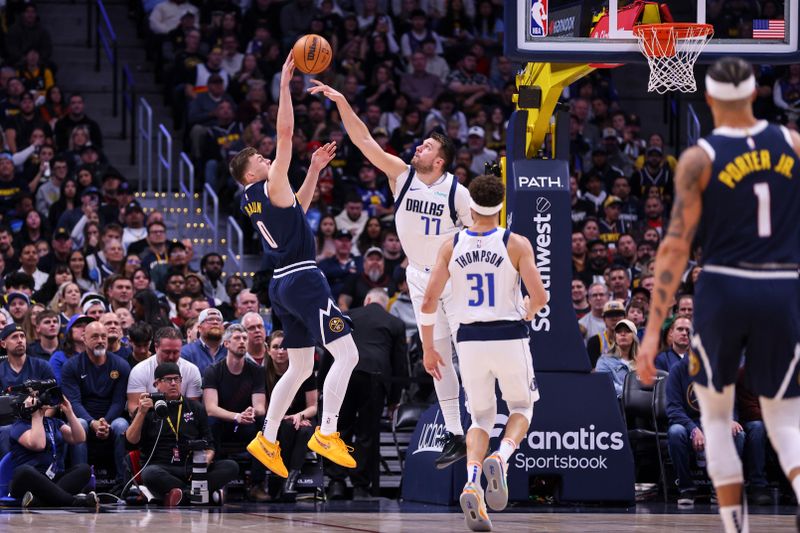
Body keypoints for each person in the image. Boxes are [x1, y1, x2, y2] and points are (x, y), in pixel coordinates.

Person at [638, 57, 800, 532]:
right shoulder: (793, 143)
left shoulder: (698, 158)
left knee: (714, 417)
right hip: (782, 285)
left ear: (707, 100)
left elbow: (673, 248)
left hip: (726, 284)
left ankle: (735, 526)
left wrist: (652, 335)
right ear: (755, 96)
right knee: (785, 418)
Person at [311, 77, 474, 469]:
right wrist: (342, 102)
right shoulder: (402, 176)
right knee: (437, 361)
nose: (420, 146)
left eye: (428, 146)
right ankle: (455, 433)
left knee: (468, 355)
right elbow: (365, 141)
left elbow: (486, 235)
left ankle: (485, 421)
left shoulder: (458, 192)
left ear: (440, 161)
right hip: (418, 279)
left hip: (455, 279)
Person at [228, 54, 359, 478]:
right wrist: (284, 83)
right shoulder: (267, 182)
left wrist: (316, 170)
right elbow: (285, 134)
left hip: (282, 285)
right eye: (262, 160)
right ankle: (328, 432)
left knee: (302, 366)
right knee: (348, 354)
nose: (270, 160)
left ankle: (266, 439)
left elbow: (297, 208)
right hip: (303, 279)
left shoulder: (254, 198)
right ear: (251, 170)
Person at [421, 175, 547, 532]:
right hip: (508, 335)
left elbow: (429, 302)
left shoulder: (451, 244)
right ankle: (501, 457)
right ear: (501, 203)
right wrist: (528, 308)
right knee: (522, 407)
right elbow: (540, 297)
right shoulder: (516, 242)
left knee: (478, 421)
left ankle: (471, 483)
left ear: (471, 204)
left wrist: (429, 348)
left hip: (469, 340)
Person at [324, 288, 407, 500]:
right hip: (375, 377)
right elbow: (399, 364)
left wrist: (322, 382)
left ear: (367, 299)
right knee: (367, 435)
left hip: (344, 374)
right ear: (385, 303)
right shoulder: (395, 323)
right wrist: (394, 399)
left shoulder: (346, 316)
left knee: (340, 429)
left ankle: (336, 483)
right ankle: (361, 486)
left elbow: (329, 348)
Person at [125, 362, 239, 506]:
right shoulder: (147, 408)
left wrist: (205, 461)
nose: (173, 383)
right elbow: (130, 442)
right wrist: (141, 413)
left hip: (191, 468)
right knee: (149, 473)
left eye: (177, 379)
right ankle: (202, 494)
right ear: (156, 384)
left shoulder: (195, 407)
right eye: (168, 380)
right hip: (162, 467)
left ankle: (181, 495)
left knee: (231, 466)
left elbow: (209, 444)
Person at [60, 321, 131, 487]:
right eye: (95, 336)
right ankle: (81, 483)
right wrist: (93, 423)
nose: (100, 340)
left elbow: (119, 401)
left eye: (103, 336)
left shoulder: (121, 365)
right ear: (84, 339)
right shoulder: (72, 366)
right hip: (84, 418)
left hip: (111, 419)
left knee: (122, 425)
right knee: (80, 424)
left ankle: (124, 484)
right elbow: (74, 402)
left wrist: (104, 422)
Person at [202, 324, 268, 502]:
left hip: (245, 424)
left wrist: (250, 412)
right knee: (211, 422)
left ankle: (257, 484)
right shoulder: (213, 371)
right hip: (223, 424)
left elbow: (261, 407)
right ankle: (218, 482)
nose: (242, 342)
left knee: (263, 424)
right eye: (237, 338)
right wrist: (236, 416)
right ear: (226, 344)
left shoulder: (256, 371)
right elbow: (210, 407)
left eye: (244, 338)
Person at [8, 393, 97, 508]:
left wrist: (69, 412)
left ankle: (39, 502)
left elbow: (79, 438)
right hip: (28, 481)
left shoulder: (53, 423)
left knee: (84, 469)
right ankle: (73, 502)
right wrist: (36, 415)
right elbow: (38, 445)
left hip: (53, 479)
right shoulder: (19, 425)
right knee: (24, 471)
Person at [126, 327, 202, 414]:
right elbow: (133, 408)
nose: (171, 357)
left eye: (175, 352)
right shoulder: (139, 371)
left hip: (181, 420)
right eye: (167, 352)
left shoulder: (191, 370)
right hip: (150, 419)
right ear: (156, 347)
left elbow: (192, 408)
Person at [595, 319, 639, 398]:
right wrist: (633, 393)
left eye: (627, 331)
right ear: (615, 337)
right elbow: (605, 385)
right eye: (619, 332)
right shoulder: (604, 361)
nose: (622, 334)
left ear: (634, 337)